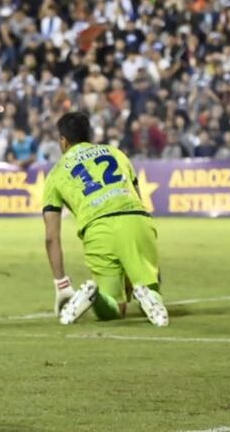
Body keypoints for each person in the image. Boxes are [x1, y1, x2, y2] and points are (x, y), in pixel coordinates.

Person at [42, 111, 168, 327]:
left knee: (113, 309)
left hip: (97, 229)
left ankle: (92, 295)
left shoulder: (55, 174)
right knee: (151, 287)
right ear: (89, 134)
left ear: (63, 141)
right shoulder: (116, 153)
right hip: (134, 220)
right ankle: (147, 294)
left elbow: (51, 237)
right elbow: (138, 199)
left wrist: (61, 284)